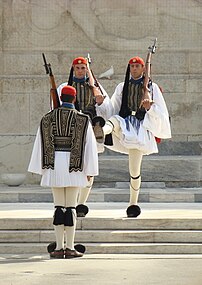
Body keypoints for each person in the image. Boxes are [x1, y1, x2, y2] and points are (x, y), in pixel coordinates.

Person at [28, 85, 98, 258]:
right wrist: (90, 170)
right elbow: (90, 147)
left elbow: (40, 144)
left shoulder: (47, 118)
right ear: (74, 99)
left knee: (59, 207)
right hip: (74, 167)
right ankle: (71, 247)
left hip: (54, 165)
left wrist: (41, 167)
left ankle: (59, 247)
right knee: (71, 207)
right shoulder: (83, 119)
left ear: (61, 97)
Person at [103, 56, 171, 218]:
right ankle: (101, 131)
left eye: (137, 66)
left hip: (140, 129)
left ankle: (133, 203)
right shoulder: (122, 86)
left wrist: (150, 107)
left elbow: (161, 112)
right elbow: (114, 107)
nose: (134, 69)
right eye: (132, 66)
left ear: (143, 69)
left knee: (134, 171)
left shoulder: (152, 87)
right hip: (124, 122)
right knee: (114, 120)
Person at [57, 56, 113, 217]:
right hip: (72, 126)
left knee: (90, 164)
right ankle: (72, 203)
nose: (81, 71)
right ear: (73, 69)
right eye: (78, 68)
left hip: (89, 124)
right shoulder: (64, 87)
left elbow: (107, 109)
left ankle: (82, 203)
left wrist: (100, 101)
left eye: (83, 68)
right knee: (74, 165)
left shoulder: (95, 86)